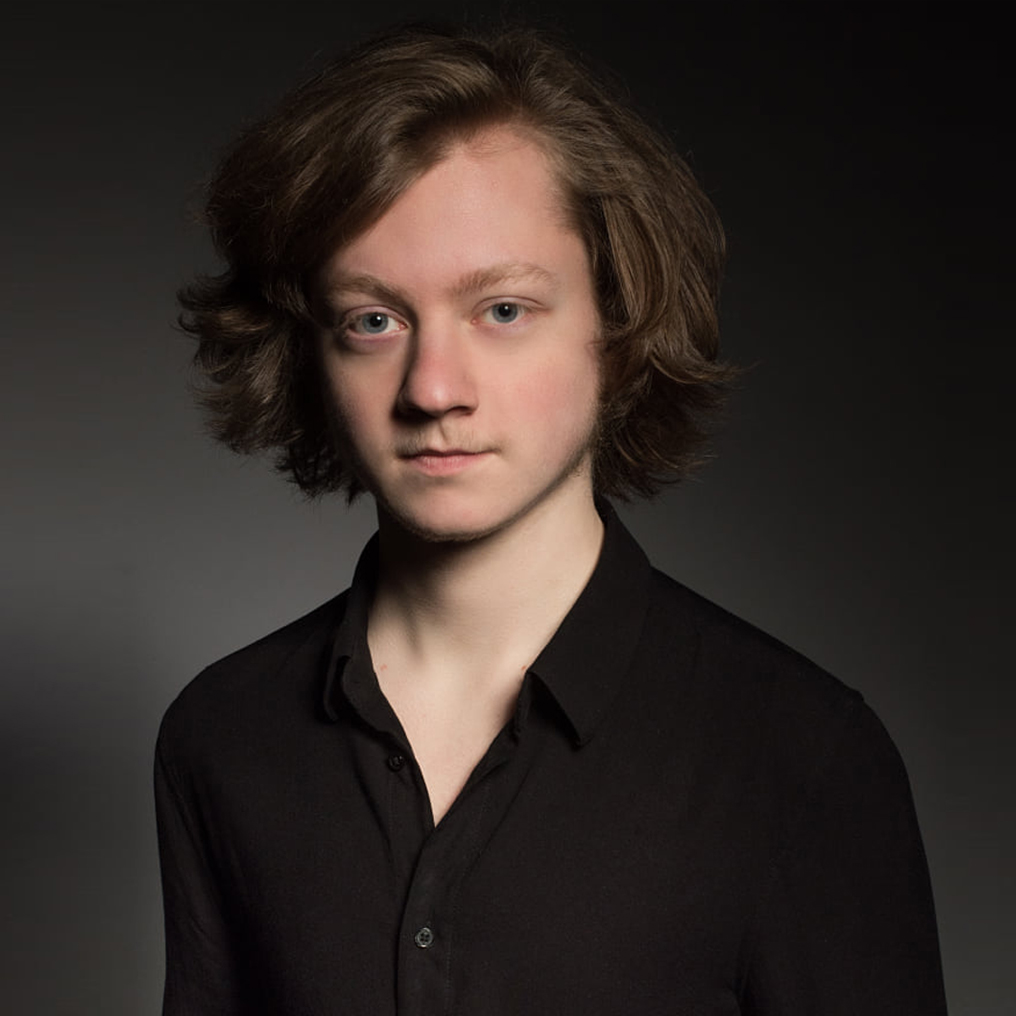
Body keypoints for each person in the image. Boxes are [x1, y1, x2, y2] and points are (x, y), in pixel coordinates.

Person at [155, 23, 947, 1015]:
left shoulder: (797, 754)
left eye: (502, 310)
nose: (433, 388)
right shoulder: (225, 736)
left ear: (614, 327)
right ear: (311, 353)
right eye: (373, 319)